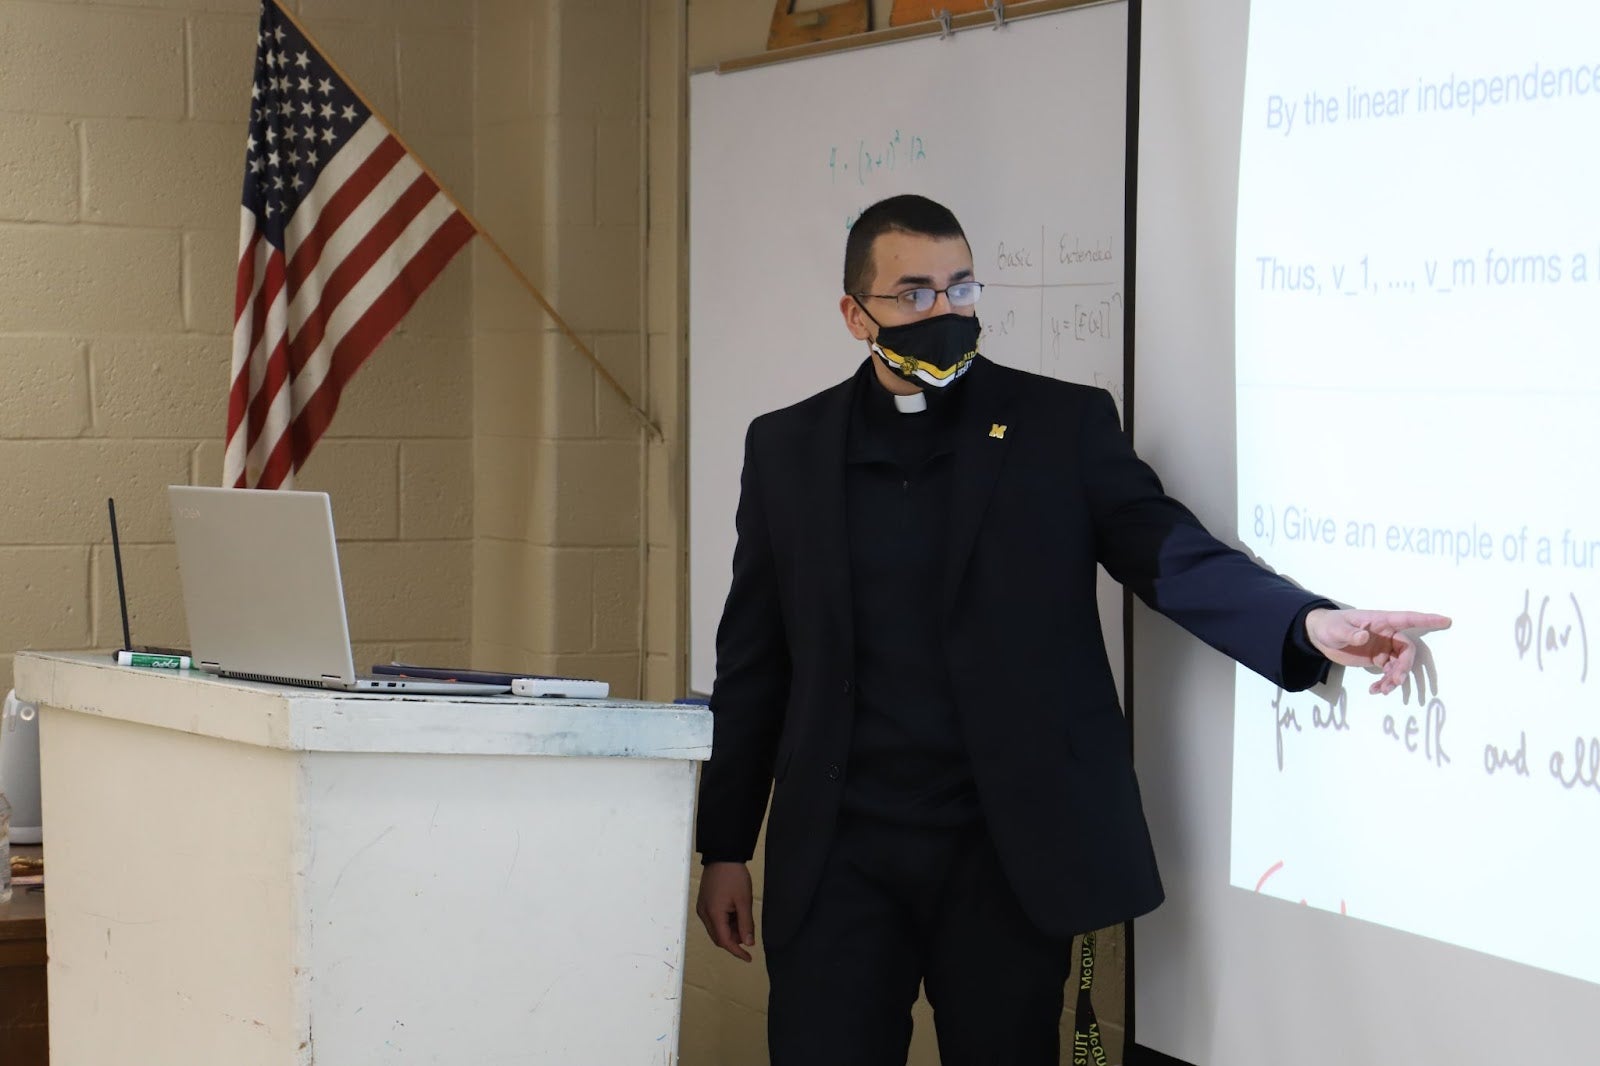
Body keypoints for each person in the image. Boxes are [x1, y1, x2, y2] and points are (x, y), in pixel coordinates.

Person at [693, 194, 1449, 1065]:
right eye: (914, 294)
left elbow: (1169, 554)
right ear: (854, 314)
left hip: (1006, 855)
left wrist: (1307, 622)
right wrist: (724, 846)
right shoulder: (788, 448)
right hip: (841, 853)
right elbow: (754, 661)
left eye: (961, 288)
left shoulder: (1058, 428)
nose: (945, 312)